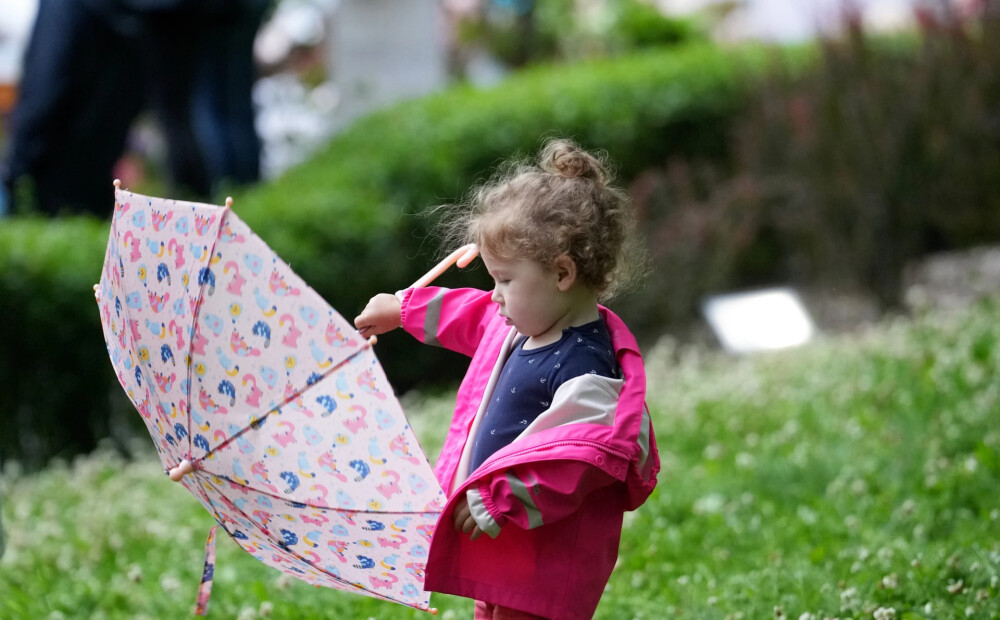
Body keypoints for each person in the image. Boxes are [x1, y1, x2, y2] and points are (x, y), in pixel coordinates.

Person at [355, 139, 659, 620]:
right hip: (508, 541)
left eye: (505, 280)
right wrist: (405, 310)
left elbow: (579, 460)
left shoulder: (588, 368)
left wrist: (502, 499)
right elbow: (471, 316)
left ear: (562, 272)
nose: (494, 296)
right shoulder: (525, 323)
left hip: (545, 558)